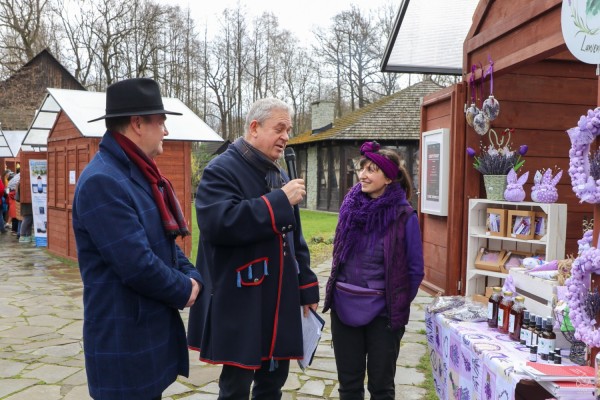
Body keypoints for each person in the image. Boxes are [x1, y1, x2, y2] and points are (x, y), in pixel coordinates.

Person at [72, 78, 203, 400]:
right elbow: (137, 265)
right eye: (161, 122)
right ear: (137, 123)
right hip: (125, 341)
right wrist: (185, 289)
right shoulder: (103, 181)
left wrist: (192, 274)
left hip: (146, 334)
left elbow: (164, 243)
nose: (166, 131)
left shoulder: (137, 174)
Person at [187, 98, 320, 400]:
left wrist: (307, 286)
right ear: (255, 128)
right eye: (280, 128)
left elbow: (294, 236)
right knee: (236, 384)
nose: (286, 136)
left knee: (274, 380)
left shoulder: (280, 175)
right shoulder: (220, 169)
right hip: (242, 297)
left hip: (280, 296)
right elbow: (218, 224)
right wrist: (278, 201)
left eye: (288, 129)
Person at [323, 141, 424, 400]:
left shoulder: (404, 216)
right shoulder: (349, 208)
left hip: (384, 314)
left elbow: (415, 270)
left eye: (372, 170)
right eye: (362, 168)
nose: (363, 175)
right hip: (344, 307)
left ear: (389, 177)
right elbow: (338, 256)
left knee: (381, 388)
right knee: (349, 386)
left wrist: (396, 301)